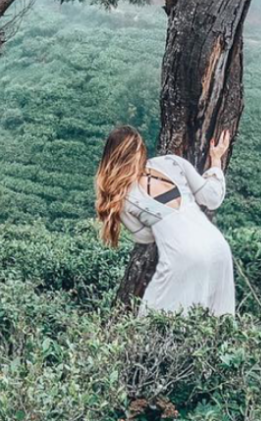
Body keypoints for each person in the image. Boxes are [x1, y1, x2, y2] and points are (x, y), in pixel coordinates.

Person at [95, 125, 235, 315]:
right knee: (216, 320)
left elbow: (145, 237)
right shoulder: (172, 162)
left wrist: (163, 224)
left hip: (182, 256)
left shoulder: (122, 198)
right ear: (140, 149)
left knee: (153, 320)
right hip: (218, 248)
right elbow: (212, 198)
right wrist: (216, 159)